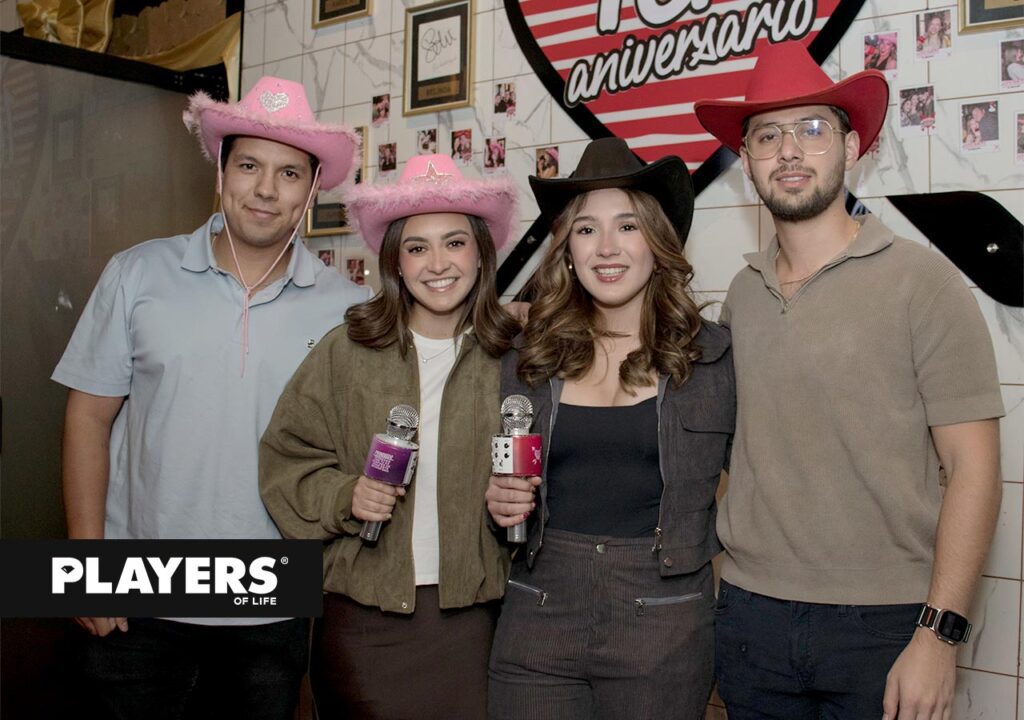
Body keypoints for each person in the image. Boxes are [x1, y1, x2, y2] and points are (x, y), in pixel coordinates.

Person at [694, 41, 1004, 720]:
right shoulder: (742, 295)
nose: (789, 151)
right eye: (767, 135)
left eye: (813, 129)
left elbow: (975, 471)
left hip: (887, 624)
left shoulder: (924, 282)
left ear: (852, 146)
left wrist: (939, 635)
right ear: (745, 160)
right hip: (750, 618)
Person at [51, 76, 370, 719]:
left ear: (312, 190)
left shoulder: (349, 309)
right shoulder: (137, 273)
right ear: (221, 172)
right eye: (249, 165)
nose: (266, 188)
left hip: (270, 599)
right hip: (137, 592)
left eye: (289, 173)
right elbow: (87, 417)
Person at [259, 153, 521, 719]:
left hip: (476, 622)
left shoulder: (516, 357)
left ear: (481, 254)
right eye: (417, 247)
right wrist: (345, 496)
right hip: (363, 622)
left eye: (455, 243)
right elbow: (285, 460)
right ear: (395, 263)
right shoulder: (347, 350)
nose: (437, 264)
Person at [485, 137, 735, 719]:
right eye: (586, 229)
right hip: (537, 612)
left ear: (657, 243)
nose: (606, 247)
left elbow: (767, 491)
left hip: (664, 625)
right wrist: (495, 500)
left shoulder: (713, 360)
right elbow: (494, 476)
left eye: (627, 226)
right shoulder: (526, 356)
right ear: (567, 249)